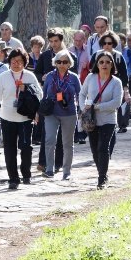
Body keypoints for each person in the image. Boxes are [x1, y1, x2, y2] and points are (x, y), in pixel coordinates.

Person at [0, 48, 40, 189]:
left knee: (26, 147)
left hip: (25, 117)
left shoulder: (30, 76)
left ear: (25, 62)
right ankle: (13, 178)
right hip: (7, 117)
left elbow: (39, 94)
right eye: (13, 61)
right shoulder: (3, 77)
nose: (16, 63)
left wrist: (36, 110)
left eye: (19, 61)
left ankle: (26, 174)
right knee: (9, 148)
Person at [81, 51, 123, 189]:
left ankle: (102, 178)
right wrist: (84, 108)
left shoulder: (116, 82)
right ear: (97, 64)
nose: (104, 64)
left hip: (109, 120)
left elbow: (117, 102)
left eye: (108, 62)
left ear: (112, 65)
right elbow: (82, 94)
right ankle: (102, 172)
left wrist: (98, 107)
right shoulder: (91, 77)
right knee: (94, 149)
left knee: (102, 147)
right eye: (101, 62)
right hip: (92, 120)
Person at [40, 49, 81, 179]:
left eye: (64, 62)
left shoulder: (74, 78)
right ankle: (50, 169)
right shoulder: (50, 76)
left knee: (67, 143)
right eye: (58, 61)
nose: (61, 64)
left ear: (69, 63)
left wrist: (81, 110)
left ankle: (66, 172)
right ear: (55, 63)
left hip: (69, 113)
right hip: (51, 112)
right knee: (49, 140)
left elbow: (80, 94)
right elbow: (44, 94)